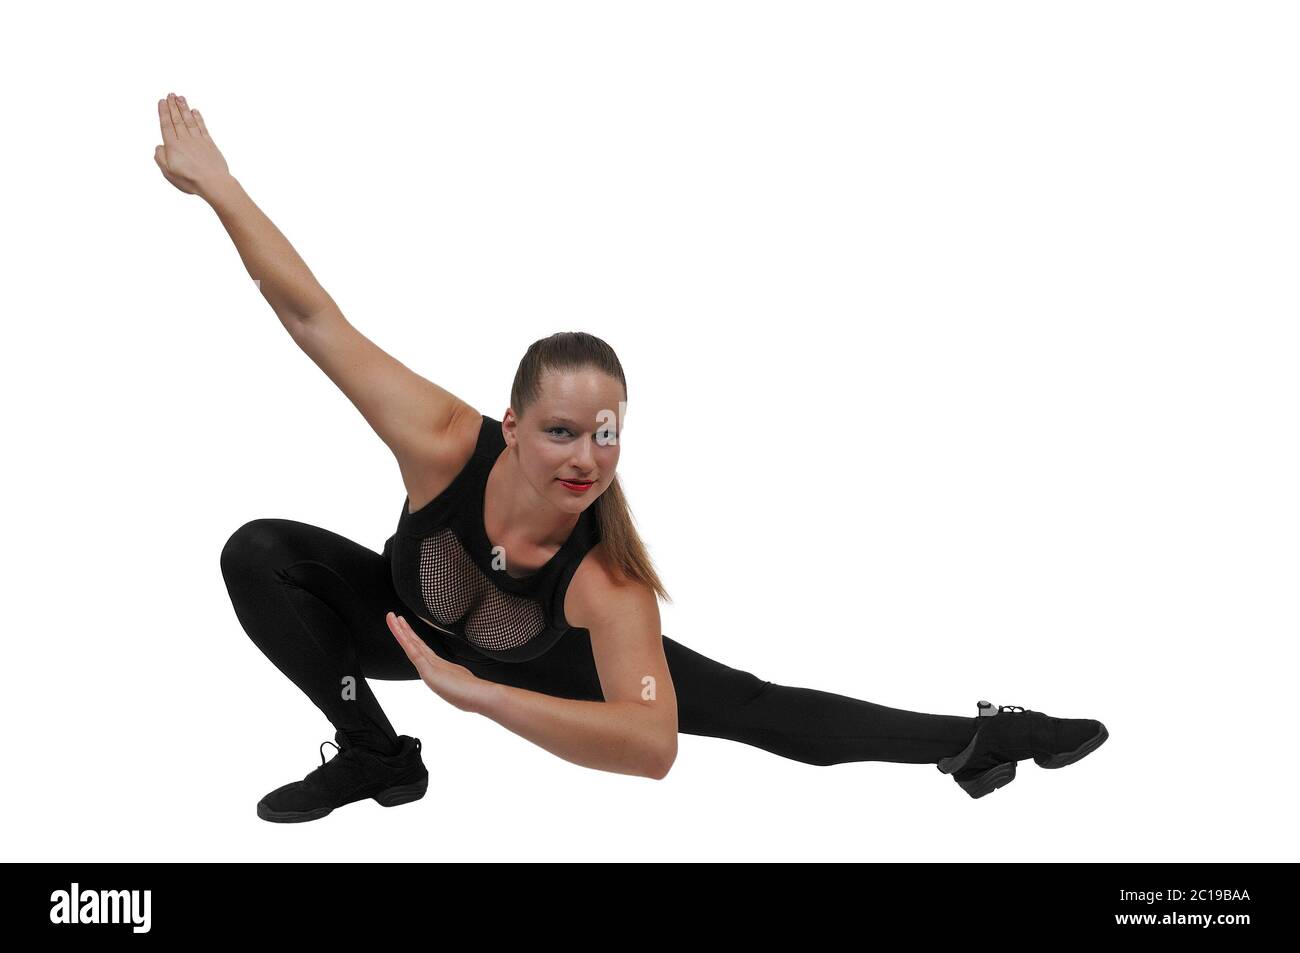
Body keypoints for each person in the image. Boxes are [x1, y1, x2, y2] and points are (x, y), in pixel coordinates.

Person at [155, 92, 1109, 822]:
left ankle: (986, 736)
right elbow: (314, 315)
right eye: (561, 431)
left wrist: (479, 695)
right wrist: (221, 187)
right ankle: (376, 752)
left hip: (536, 666)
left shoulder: (608, 586)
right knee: (259, 551)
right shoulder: (441, 443)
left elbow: (652, 747)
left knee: (765, 711)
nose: (585, 456)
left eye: (605, 432)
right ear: (513, 425)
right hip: (406, 630)